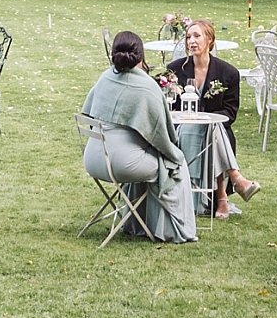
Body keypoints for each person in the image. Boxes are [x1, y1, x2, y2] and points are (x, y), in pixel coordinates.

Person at [80, 31, 197, 243]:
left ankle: (135, 222)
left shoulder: (105, 78)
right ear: (140, 56)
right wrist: (175, 153)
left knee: (144, 155)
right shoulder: (147, 87)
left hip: (93, 159)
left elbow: (86, 113)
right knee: (175, 165)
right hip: (123, 165)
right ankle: (174, 229)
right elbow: (162, 137)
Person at [163, 18, 260, 218]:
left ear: (210, 40)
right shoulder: (174, 69)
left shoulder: (228, 73)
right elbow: (167, 104)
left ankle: (223, 196)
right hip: (182, 129)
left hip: (217, 130)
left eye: (197, 36)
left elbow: (230, 112)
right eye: (188, 37)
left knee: (211, 129)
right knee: (210, 129)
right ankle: (233, 183)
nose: (192, 41)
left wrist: (206, 119)